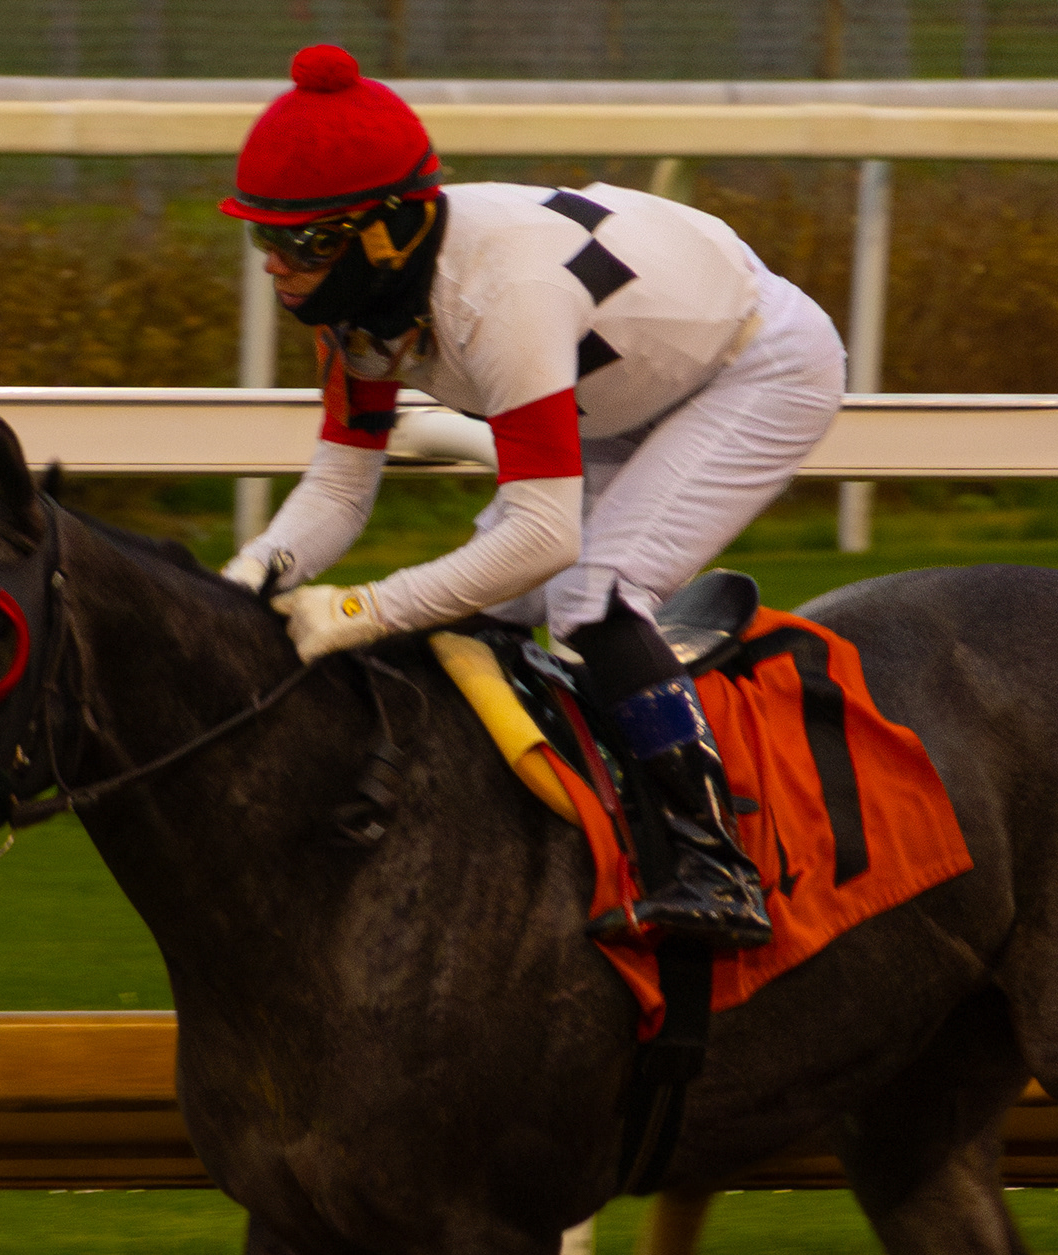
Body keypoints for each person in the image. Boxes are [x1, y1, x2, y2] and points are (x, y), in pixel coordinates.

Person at [216, 45, 847, 949]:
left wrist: (363, 608)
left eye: (304, 241)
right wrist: (240, 587)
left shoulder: (496, 297)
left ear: (388, 231)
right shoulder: (358, 311)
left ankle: (716, 861)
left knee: (587, 597)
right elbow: (337, 494)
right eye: (263, 238)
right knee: (487, 617)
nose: (277, 266)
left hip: (755, 369)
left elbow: (544, 536)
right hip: (620, 385)